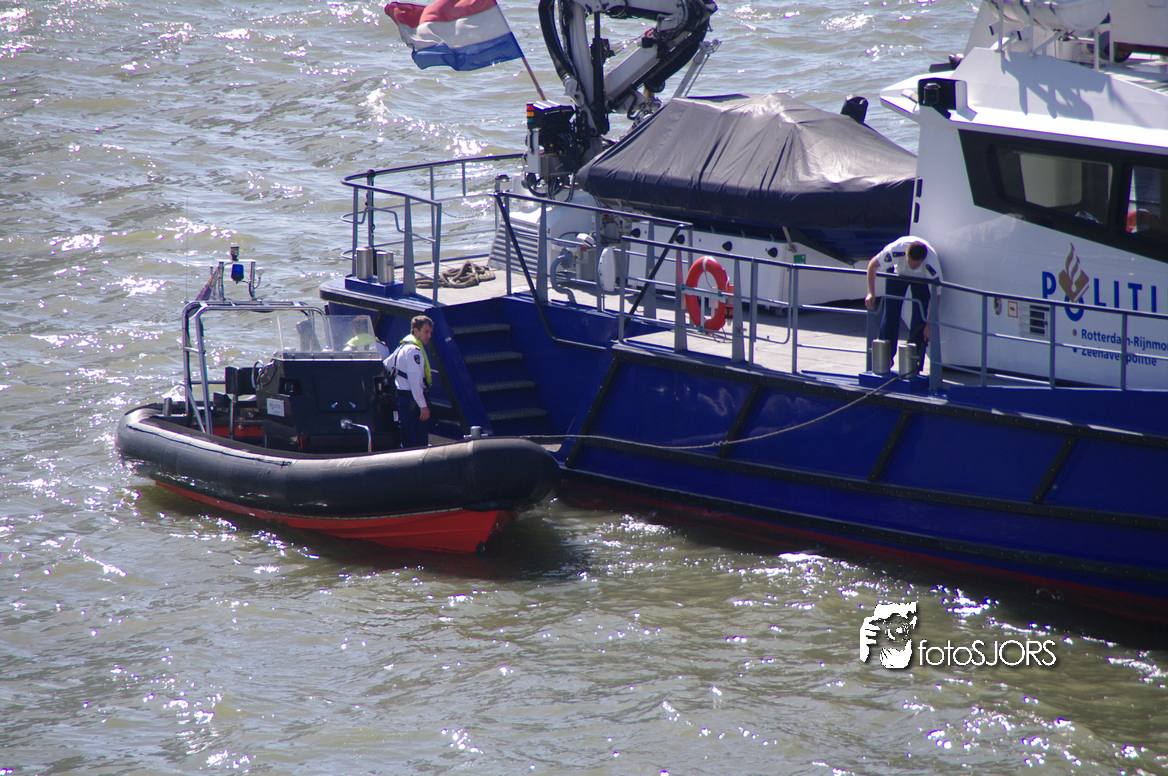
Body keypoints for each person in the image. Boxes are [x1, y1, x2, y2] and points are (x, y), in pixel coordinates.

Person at [865, 237, 942, 371]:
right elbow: (872, 265)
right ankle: (884, 361)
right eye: (910, 263)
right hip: (898, 273)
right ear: (906, 254)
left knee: (920, 317)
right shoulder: (895, 250)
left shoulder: (932, 264)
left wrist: (929, 325)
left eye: (915, 265)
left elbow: (937, 295)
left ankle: (913, 365)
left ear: (922, 260)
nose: (912, 267)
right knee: (890, 312)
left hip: (921, 279)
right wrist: (870, 292)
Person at [385, 315, 434, 448]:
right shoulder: (414, 351)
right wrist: (423, 406)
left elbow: (386, 365)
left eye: (430, 332)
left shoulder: (401, 347)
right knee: (417, 443)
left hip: (403, 401)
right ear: (416, 331)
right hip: (412, 403)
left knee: (407, 438)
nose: (429, 336)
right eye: (426, 332)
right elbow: (415, 381)